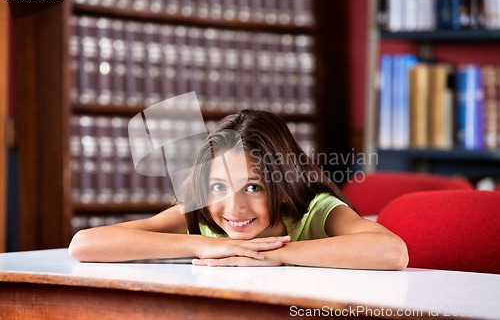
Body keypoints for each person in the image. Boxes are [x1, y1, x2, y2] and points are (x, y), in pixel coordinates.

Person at [69, 109, 408, 269]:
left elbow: (392, 252)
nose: (234, 207)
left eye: (253, 187)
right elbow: (85, 244)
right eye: (218, 186)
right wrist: (203, 246)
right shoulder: (202, 214)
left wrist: (269, 254)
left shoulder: (313, 210)